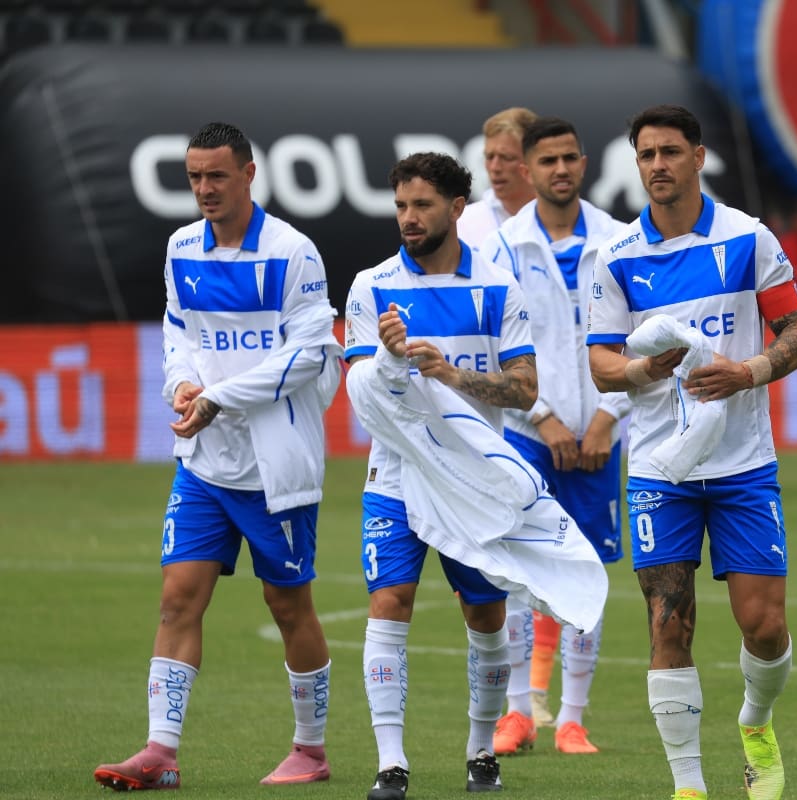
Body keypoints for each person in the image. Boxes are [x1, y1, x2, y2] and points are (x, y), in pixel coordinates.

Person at [93, 122, 343, 791]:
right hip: (204, 461)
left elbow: (307, 357)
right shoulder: (182, 247)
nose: (204, 189)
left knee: (287, 605)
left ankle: (311, 751)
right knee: (177, 599)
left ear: (249, 174)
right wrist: (182, 385)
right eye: (194, 177)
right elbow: (178, 330)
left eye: (217, 176)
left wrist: (218, 398)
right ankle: (160, 751)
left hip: (275, 466)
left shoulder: (292, 251)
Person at [586, 105, 797, 800]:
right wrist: (641, 370)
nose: (657, 165)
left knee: (764, 626)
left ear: (698, 157)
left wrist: (750, 371)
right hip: (660, 469)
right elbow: (601, 363)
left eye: (670, 152)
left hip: (743, 462)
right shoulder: (617, 256)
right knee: (668, 624)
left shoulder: (748, 238)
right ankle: (688, 787)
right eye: (646, 154)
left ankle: (756, 721)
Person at [343, 152, 539, 799]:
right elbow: (360, 392)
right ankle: (390, 763)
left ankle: (481, 751)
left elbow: (524, 390)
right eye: (401, 205)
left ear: (456, 209)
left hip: (474, 483)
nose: (408, 217)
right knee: (389, 603)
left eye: (422, 205)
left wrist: (451, 374)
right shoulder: (372, 286)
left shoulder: (498, 288)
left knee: (485, 615)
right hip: (396, 476)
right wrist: (389, 360)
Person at [481, 116, 629, 756]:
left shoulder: (620, 241)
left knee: (587, 574)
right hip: (525, 434)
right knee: (517, 574)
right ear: (528, 170)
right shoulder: (502, 247)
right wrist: (541, 415)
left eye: (570, 158)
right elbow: (494, 344)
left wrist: (607, 417)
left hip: (599, 438)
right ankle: (518, 713)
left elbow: (643, 339)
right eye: (548, 161)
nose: (561, 169)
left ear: (584, 164)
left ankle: (572, 719)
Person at [457, 107, 538, 250]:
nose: (494, 167)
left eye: (506, 157)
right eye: (489, 157)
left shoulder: (565, 219)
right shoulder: (462, 223)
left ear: (535, 159)